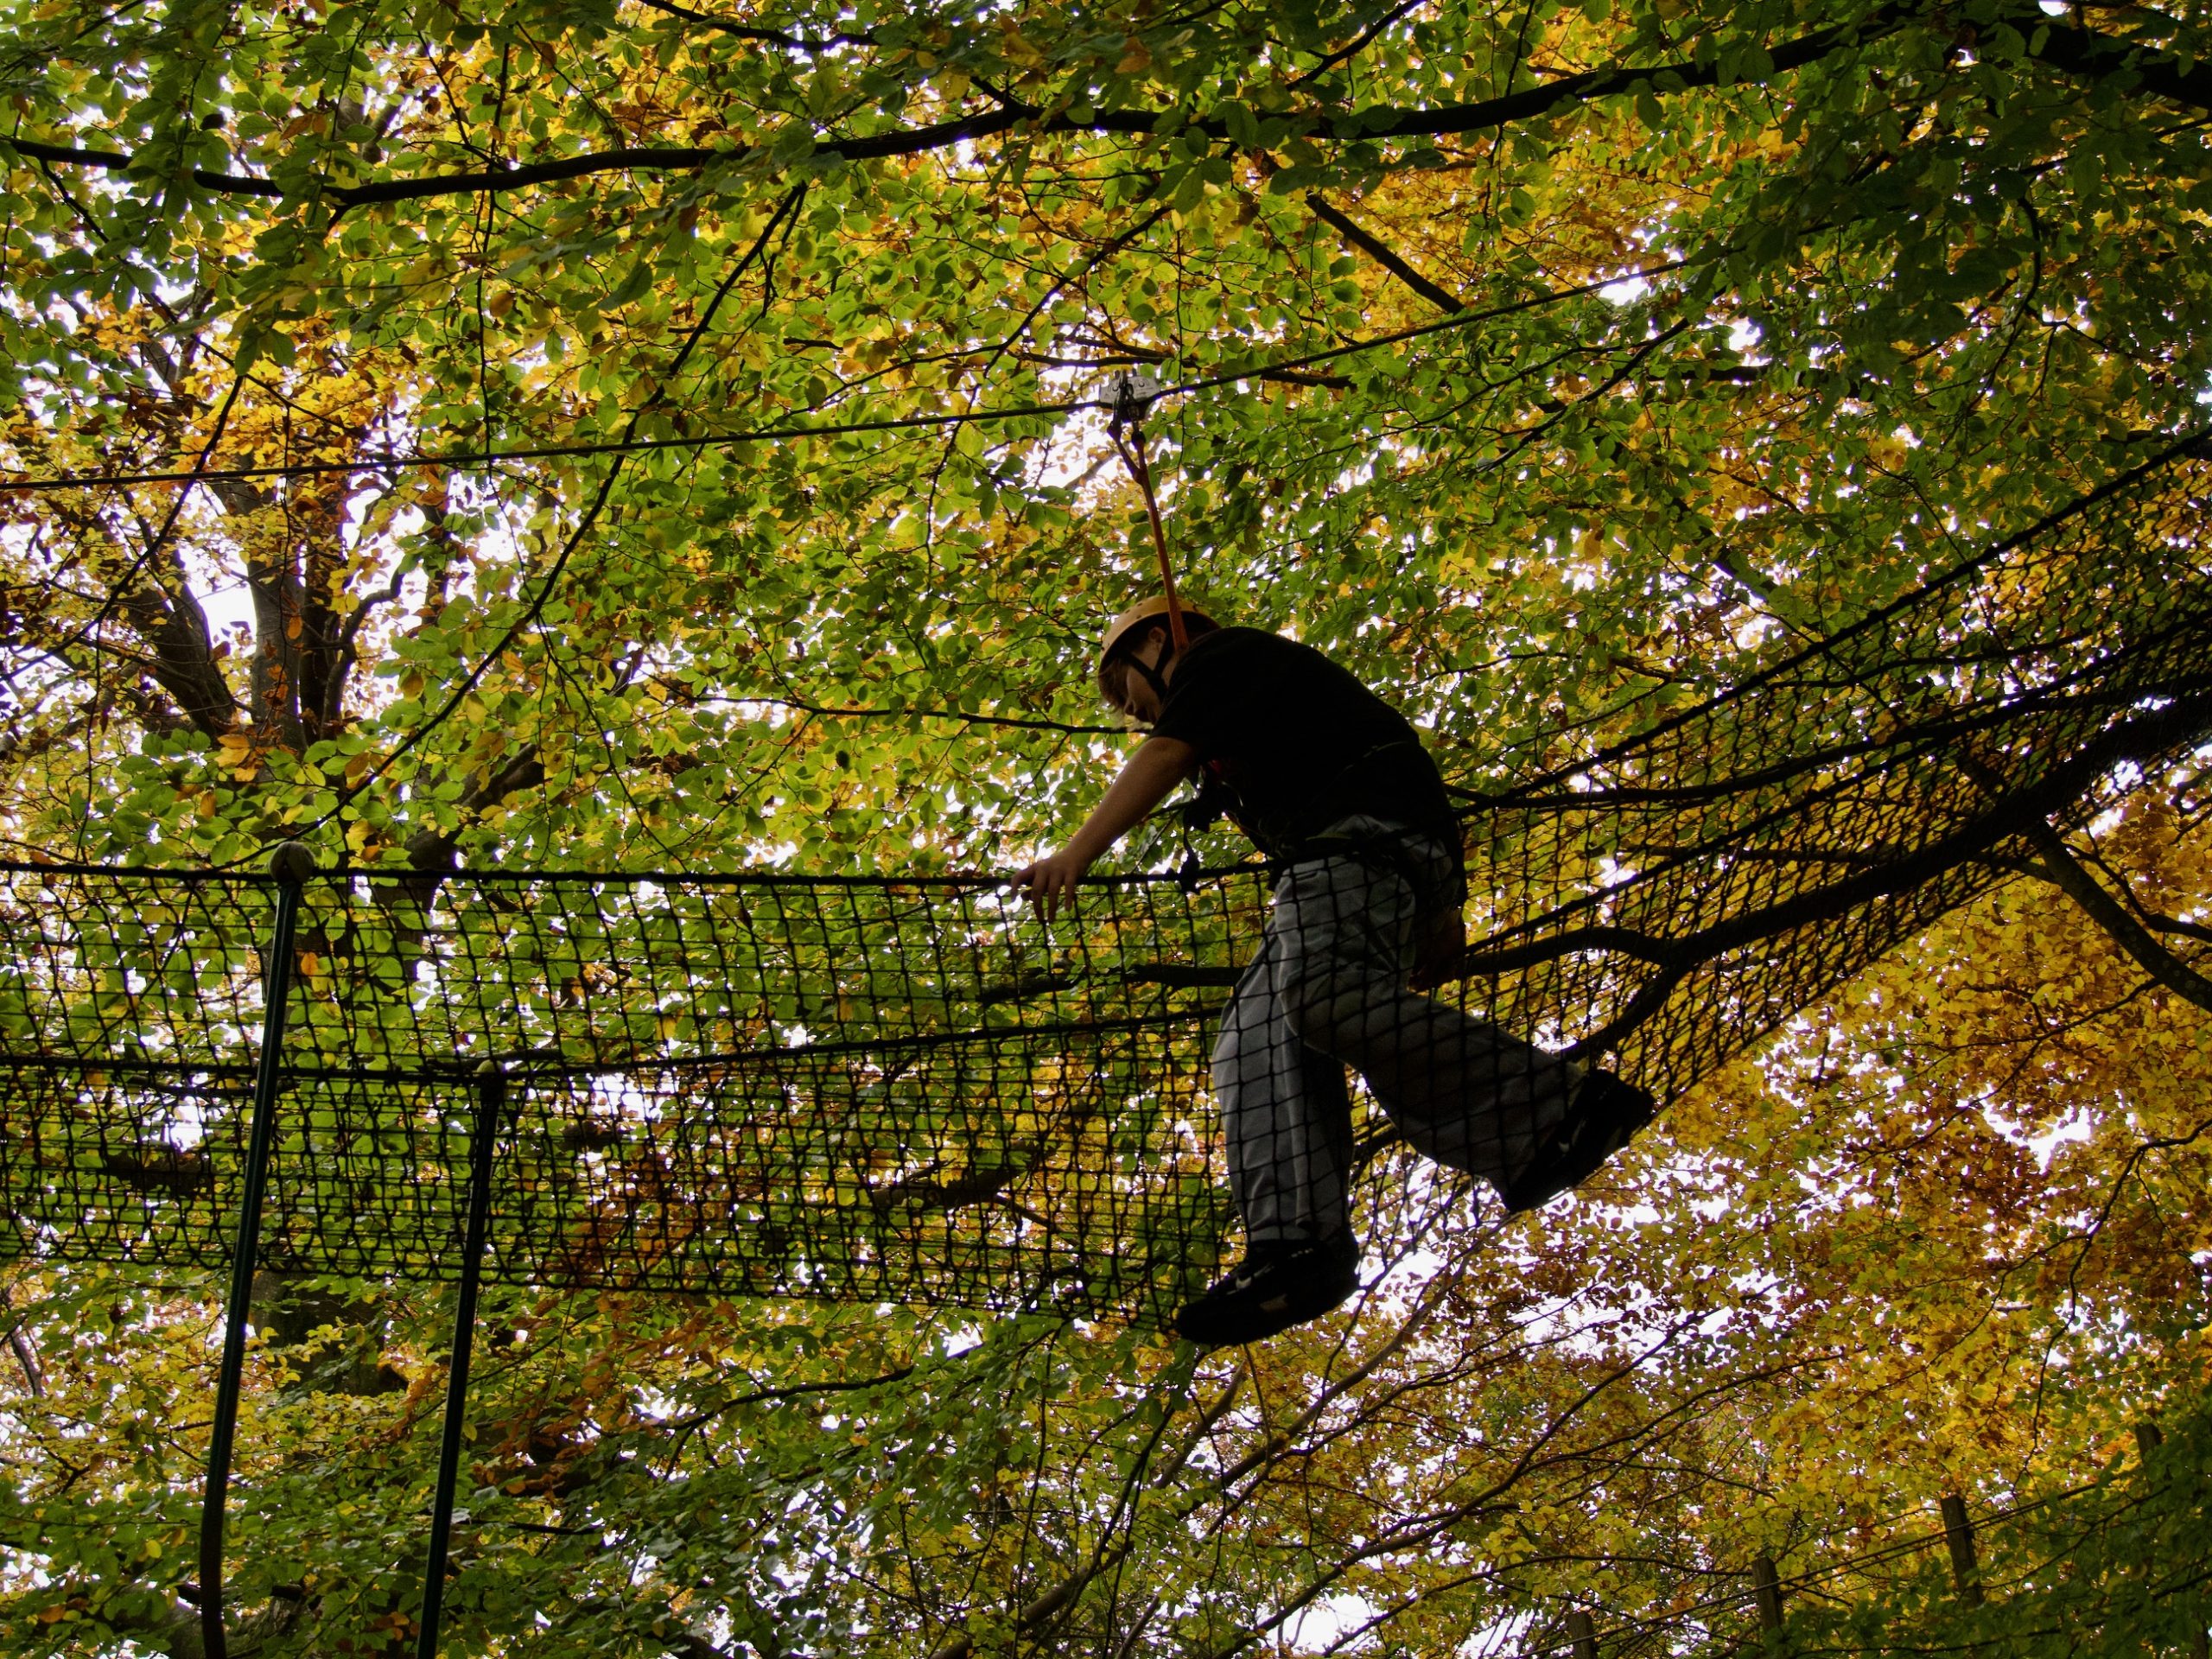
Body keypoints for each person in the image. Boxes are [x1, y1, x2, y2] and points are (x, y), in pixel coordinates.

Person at [1014, 597, 1656, 1345]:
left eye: (1132, 694)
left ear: (1158, 641)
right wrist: (1444, 905)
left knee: (1326, 998)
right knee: (1250, 1046)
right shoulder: (1258, 711)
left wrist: (1076, 853)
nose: (1139, 714)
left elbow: (1169, 750)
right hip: (1344, 865)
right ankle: (1294, 1246)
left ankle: (1559, 1111)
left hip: (1357, 847)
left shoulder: (1223, 659)